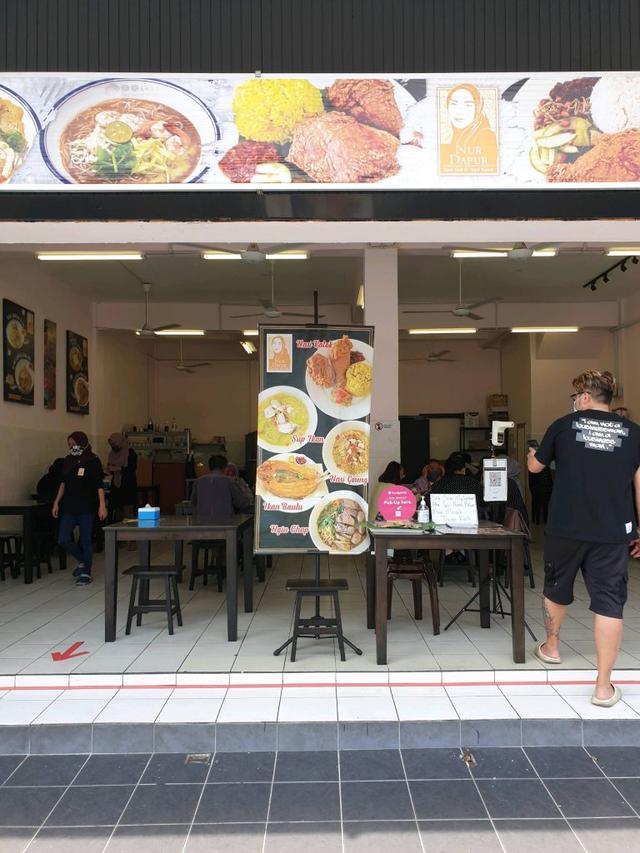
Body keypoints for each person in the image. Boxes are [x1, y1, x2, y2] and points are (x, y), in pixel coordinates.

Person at [528, 370, 640, 707]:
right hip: (612, 531)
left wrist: (532, 453)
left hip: (566, 526)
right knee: (609, 601)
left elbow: (535, 469)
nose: (574, 402)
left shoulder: (564, 425)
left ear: (585, 396)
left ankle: (551, 647)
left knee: (557, 587)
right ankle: (603, 687)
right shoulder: (634, 433)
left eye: (576, 396)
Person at [52, 431, 107, 586]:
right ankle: (83, 560)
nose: (72, 447)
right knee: (63, 538)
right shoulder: (68, 461)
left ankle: (86, 572)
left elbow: (98, 485)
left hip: (86, 506)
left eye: (74, 444)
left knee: (85, 539)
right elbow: (63, 483)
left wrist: (102, 506)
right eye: (69, 445)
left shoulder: (93, 461)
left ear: (82, 443)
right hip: (69, 505)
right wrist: (56, 502)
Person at [439, 83, 498, 175]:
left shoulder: (486, 136)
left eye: (468, 105)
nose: (459, 111)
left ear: (477, 108)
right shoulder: (451, 135)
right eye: (453, 104)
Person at [191, 454, 252, 520]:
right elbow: (241, 503)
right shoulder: (230, 482)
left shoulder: (198, 482)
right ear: (225, 468)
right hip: (225, 523)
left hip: (202, 522)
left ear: (209, 467)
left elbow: (194, 501)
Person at [106, 432, 138, 521]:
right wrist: (109, 470)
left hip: (127, 487)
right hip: (116, 488)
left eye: (114, 443)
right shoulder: (112, 454)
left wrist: (117, 468)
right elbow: (110, 466)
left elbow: (131, 469)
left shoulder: (130, 453)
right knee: (118, 516)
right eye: (111, 444)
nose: (113, 446)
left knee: (128, 516)